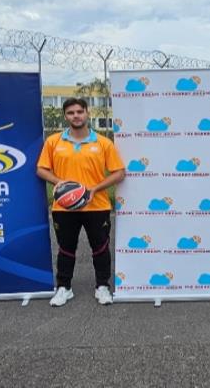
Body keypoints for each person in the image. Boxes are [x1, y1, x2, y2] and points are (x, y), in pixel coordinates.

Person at [37, 97, 125, 307]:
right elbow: (41, 169)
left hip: (97, 205)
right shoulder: (53, 142)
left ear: (87, 113)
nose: (75, 116)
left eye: (79, 111)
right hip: (64, 207)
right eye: (70, 112)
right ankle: (64, 288)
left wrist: (94, 189)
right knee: (66, 248)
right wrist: (63, 185)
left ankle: (102, 286)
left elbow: (119, 173)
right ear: (65, 116)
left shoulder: (103, 143)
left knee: (100, 247)